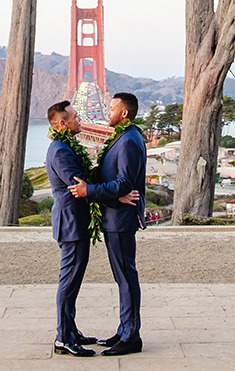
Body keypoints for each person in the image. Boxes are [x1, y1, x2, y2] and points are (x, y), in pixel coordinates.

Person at [45, 100, 138, 357]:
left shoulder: (65, 146)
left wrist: (107, 192)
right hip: (72, 224)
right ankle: (63, 337)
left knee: (72, 280)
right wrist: (116, 196)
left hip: (77, 224)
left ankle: (70, 331)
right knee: (69, 281)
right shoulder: (61, 151)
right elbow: (80, 186)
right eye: (75, 117)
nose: (80, 121)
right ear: (63, 124)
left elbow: (87, 183)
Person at [70, 91, 147, 356]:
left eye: (112, 108)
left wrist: (89, 191)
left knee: (126, 277)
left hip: (121, 220)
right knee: (123, 277)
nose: (108, 112)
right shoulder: (125, 136)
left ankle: (131, 337)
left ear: (124, 113)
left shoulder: (127, 141)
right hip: (115, 217)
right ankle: (125, 330)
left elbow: (124, 183)